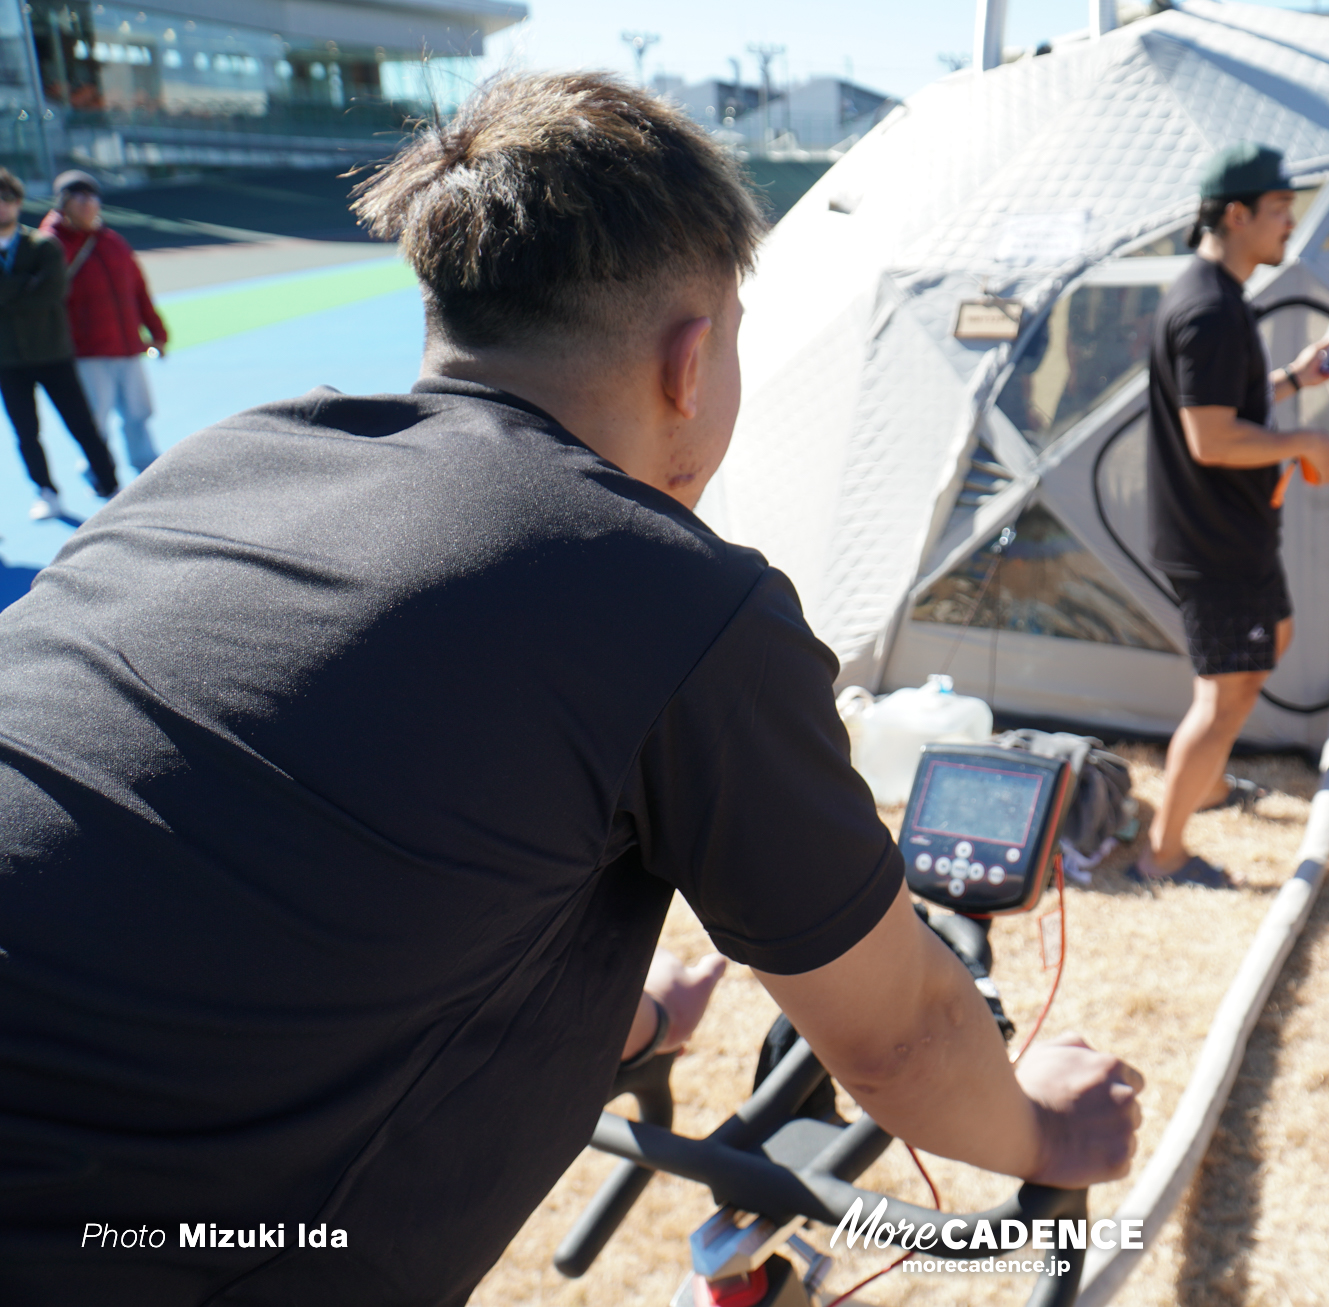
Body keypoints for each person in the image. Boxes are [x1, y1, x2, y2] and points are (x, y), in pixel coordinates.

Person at [0, 72, 1142, 1306]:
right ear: (692, 360)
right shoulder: (675, 597)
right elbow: (904, 1033)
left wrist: (610, 1020)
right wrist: (1042, 1127)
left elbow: (211, 867)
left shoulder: (227, 459)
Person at [1135, 142, 1329, 888]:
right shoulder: (1207, 308)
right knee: (1228, 687)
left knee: (1261, 650)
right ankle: (1162, 854)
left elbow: (1224, 402)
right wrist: (1304, 438)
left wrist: (1303, 377)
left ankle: (1203, 784)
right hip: (1214, 537)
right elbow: (1211, 436)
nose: (1290, 225)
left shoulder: (1216, 295)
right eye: (1278, 211)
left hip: (1227, 531)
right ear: (1236, 215)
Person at [0, 167, 119, 520]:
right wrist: (25, 285)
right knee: (25, 431)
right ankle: (46, 491)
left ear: (18, 203)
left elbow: (51, 294)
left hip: (53, 353)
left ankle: (110, 485)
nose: (1, 208)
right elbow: (31, 293)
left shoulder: (43, 245)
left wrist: (11, 292)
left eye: (6, 200)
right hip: (8, 359)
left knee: (82, 424)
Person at [38, 169, 168, 472]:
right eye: (78, 197)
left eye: (92, 197)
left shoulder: (112, 242)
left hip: (126, 347)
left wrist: (156, 332)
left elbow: (138, 290)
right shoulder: (50, 245)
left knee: (139, 413)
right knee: (94, 419)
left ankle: (147, 469)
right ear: (63, 203)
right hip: (87, 352)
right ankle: (98, 472)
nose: (87, 204)